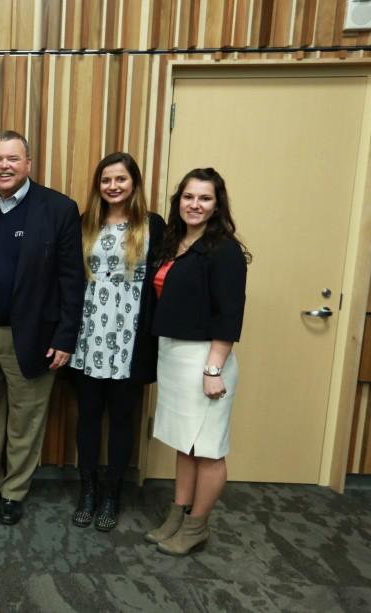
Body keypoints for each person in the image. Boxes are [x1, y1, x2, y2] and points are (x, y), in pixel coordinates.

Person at [0, 130, 84, 525]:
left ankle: (14, 492)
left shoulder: (58, 209)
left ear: (29, 163)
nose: (4, 166)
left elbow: (71, 279)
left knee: (26, 418)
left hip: (31, 335)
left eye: (13, 158)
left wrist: (65, 336)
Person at [144, 167, 249, 555]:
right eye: (189, 197)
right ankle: (177, 515)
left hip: (205, 359)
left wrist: (213, 369)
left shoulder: (224, 251)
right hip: (173, 354)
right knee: (184, 443)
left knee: (207, 448)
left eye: (205, 198)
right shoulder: (175, 242)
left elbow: (229, 314)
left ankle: (196, 526)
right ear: (179, 201)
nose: (195, 204)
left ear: (217, 205)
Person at [68, 152, 165, 531]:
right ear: (99, 185)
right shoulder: (84, 224)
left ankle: (112, 494)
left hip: (131, 340)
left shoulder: (152, 225)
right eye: (106, 180)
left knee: (123, 421)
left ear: (134, 183)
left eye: (120, 179)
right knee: (88, 419)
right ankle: (87, 491)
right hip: (88, 336)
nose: (113, 186)